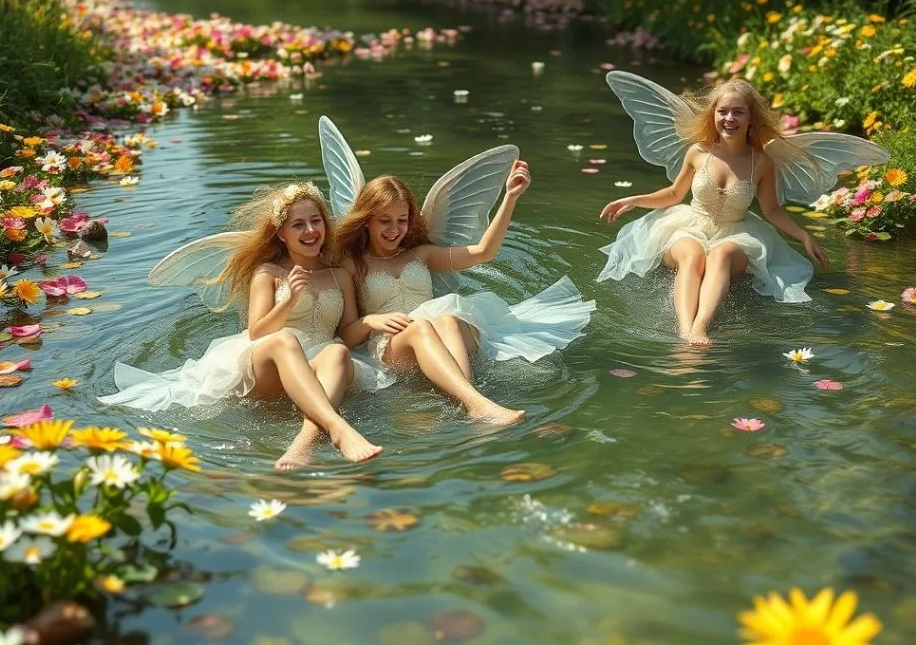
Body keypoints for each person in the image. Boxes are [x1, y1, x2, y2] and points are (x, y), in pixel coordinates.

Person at [99, 182, 384, 470]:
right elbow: (257, 331)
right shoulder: (268, 273)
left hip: (318, 365)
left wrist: (368, 321)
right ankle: (337, 426)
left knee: (337, 351)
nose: (310, 231)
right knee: (285, 341)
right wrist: (288, 302)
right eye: (298, 225)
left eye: (315, 221)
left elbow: (346, 336)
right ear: (281, 234)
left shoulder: (339, 275)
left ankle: (307, 440)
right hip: (272, 364)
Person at [333, 160, 594, 425]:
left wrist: (511, 197)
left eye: (402, 220)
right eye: (384, 221)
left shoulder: (421, 255)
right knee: (422, 327)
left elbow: (483, 253)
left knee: (449, 319)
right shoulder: (352, 265)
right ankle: (476, 404)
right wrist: (371, 321)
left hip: (443, 335)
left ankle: (471, 403)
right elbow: (347, 335)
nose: (394, 229)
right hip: (393, 348)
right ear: (366, 221)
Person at [598, 76, 832, 346]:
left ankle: (700, 328)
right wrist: (635, 200)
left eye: (738, 112)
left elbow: (772, 210)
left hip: (736, 233)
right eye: (723, 111)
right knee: (692, 254)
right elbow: (674, 194)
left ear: (751, 118)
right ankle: (685, 330)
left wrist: (803, 236)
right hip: (689, 225)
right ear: (713, 114)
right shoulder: (698, 151)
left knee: (721, 254)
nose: (729, 118)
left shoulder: (762, 162)